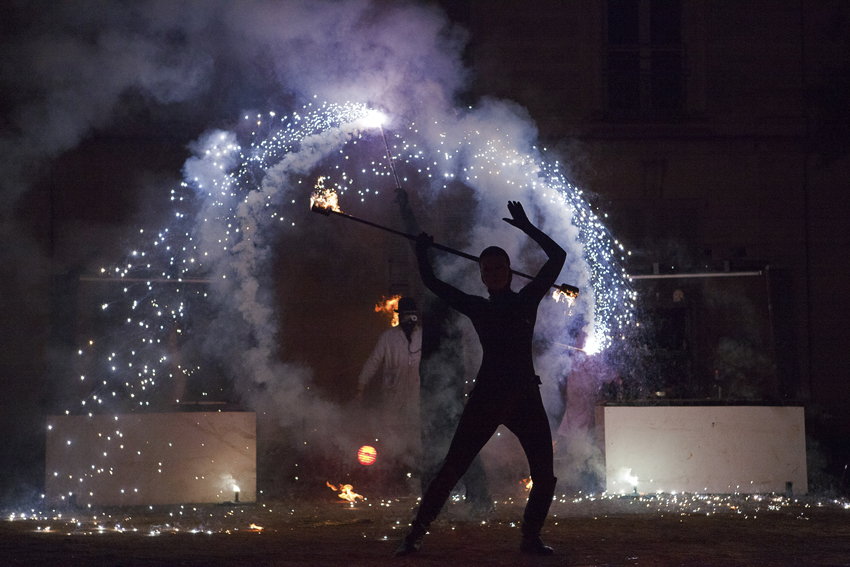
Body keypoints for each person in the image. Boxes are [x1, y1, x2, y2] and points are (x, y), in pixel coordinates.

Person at [396, 201, 566, 557]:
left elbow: (558, 256)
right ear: (483, 275)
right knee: (452, 468)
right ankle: (413, 537)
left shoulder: (526, 300)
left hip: (523, 395)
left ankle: (530, 539)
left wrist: (526, 226)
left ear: (508, 271)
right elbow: (430, 282)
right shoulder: (479, 306)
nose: (493, 273)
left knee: (545, 476)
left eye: (499, 267)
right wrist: (421, 250)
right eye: (487, 269)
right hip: (488, 396)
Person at [355, 297, 422, 469]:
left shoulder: (423, 336)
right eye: (405, 315)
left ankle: (413, 469)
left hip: (416, 395)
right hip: (392, 395)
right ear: (399, 316)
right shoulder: (388, 337)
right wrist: (361, 385)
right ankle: (391, 469)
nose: (408, 320)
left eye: (411, 316)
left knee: (414, 432)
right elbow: (373, 361)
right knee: (391, 433)